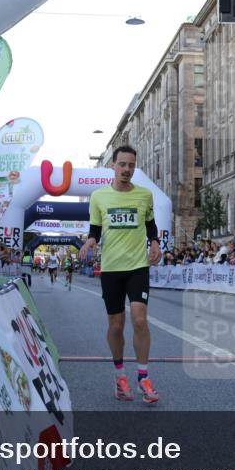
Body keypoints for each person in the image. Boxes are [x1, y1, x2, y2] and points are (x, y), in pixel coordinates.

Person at [79, 145, 162, 404]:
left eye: (131, 165)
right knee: (116, 325)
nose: (127, 169)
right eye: (122, 164)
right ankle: (120, 377)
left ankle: (143, 378)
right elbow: (95, 228)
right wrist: (90, 242)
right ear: (113, 166)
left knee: (139, 320)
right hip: (112, 268)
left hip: (137, 266)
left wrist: (155, 242)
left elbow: (150, 224)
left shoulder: (145, 195)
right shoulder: (99, 197)